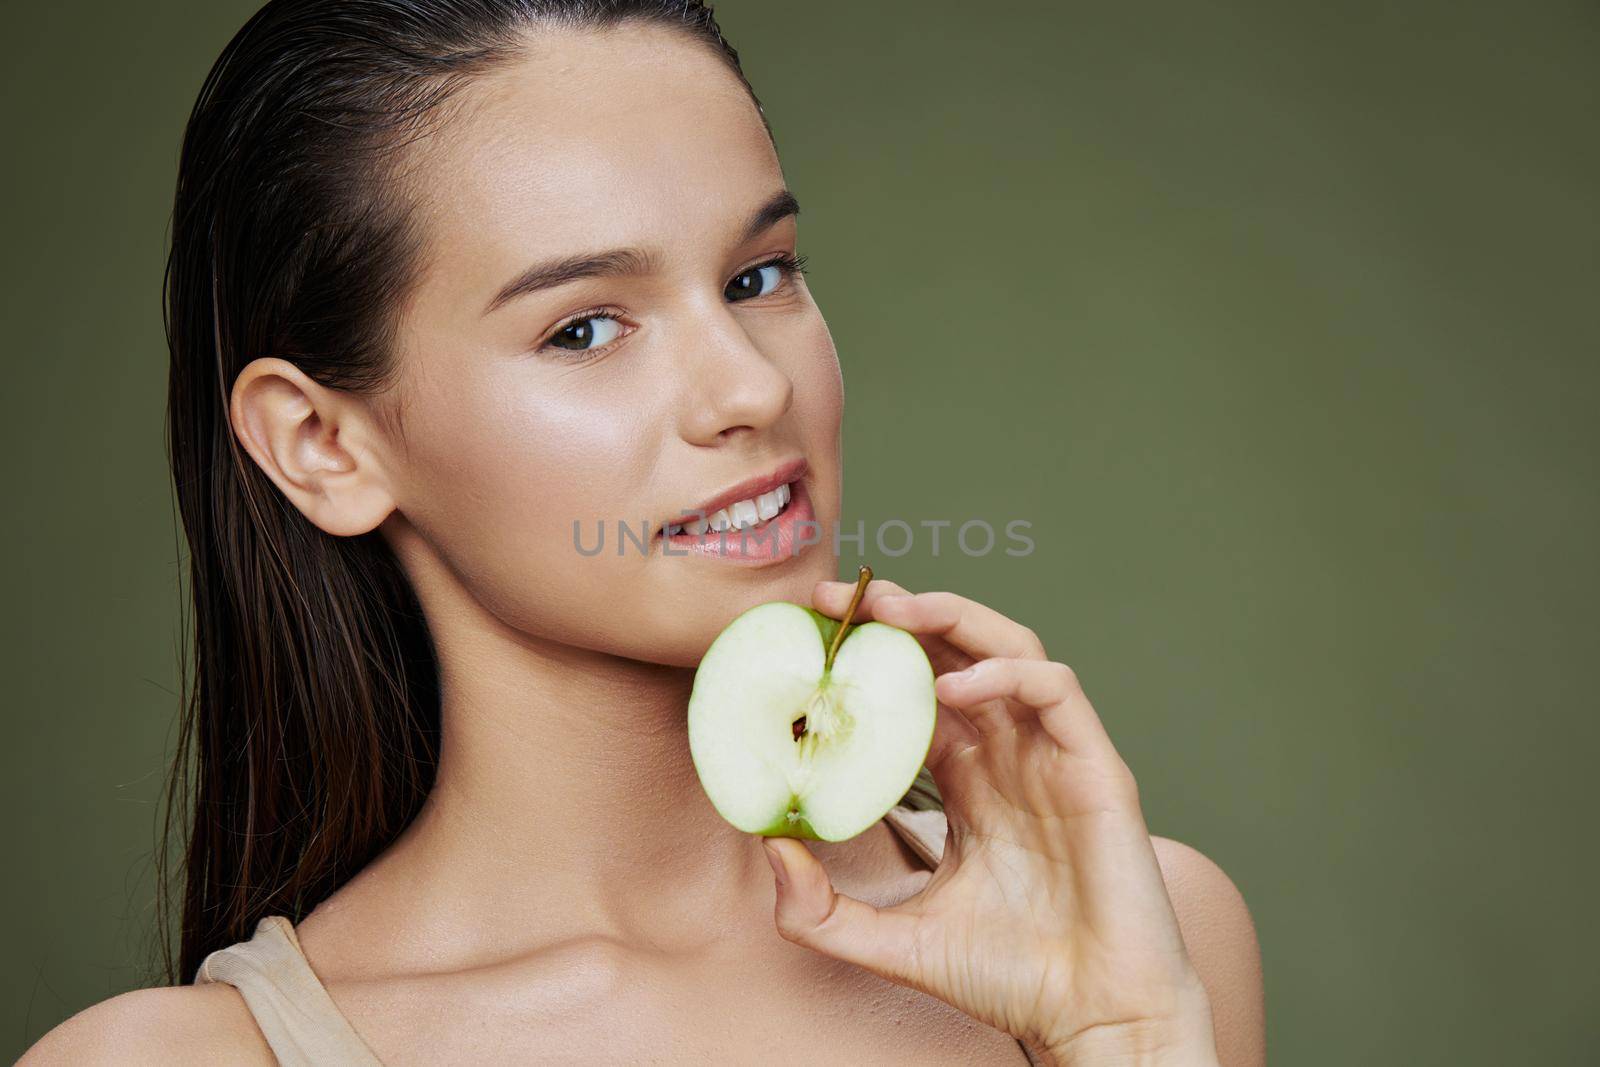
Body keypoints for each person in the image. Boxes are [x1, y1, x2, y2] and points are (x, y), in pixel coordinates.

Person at [22, 1, 1264, 1063]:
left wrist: (1125, 1037)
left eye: (757, 275)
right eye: (584, 327)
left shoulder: (1144, 928)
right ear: (323, 444)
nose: (750, 390)